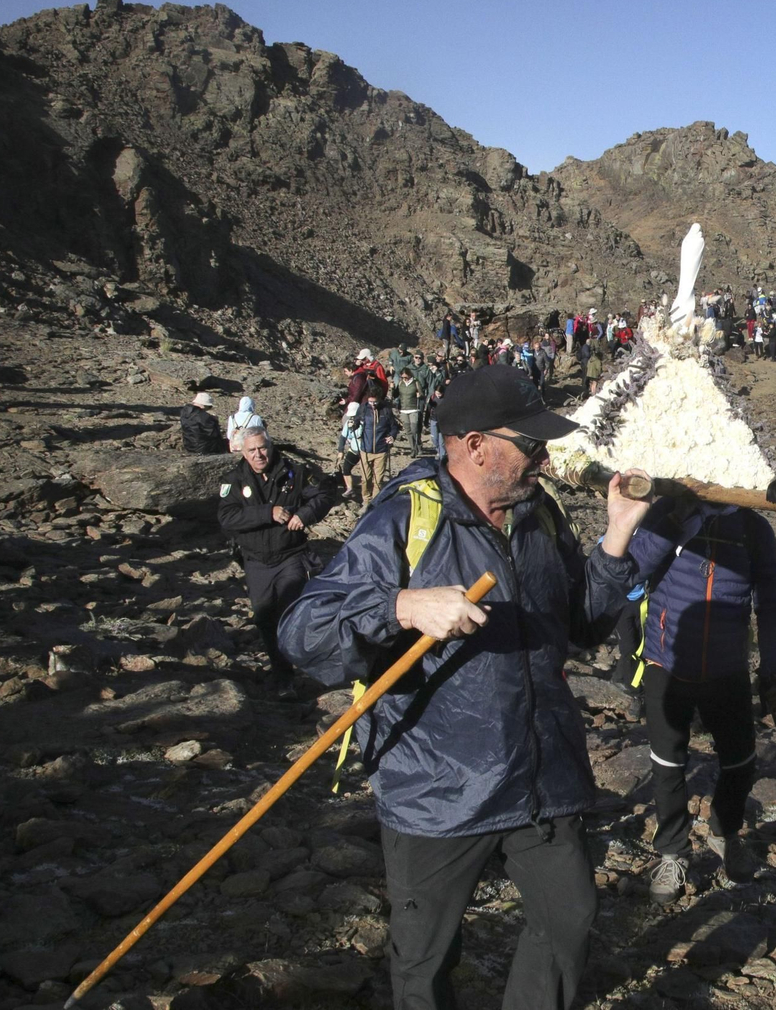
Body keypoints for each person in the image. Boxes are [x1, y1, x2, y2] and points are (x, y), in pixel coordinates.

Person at [278, 364, 651, 1010]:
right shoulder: (406, 517)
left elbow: (581, 626)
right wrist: (401, 607)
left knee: (568, 918)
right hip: (438, 789)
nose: (543, 454)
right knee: (424, 959)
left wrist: (617, 534)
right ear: (475, 444)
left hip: (540, 775)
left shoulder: (539, 514)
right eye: (529, 441)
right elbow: (302, 633)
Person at [626, 497, 776, 903]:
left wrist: (773, 668)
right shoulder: (667, 511)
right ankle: (672, 852)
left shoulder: (753, 528)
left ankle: (725, 832)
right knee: (667, 763)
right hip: (666, 657)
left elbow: (770, 602)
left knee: (739, 760)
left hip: (727, 665)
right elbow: (633, 571)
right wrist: (674, 523)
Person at [218, 428, 331, 690]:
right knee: (264, 617)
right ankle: (283, 674)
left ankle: (308, 666)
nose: (259, 455)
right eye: (252, 450)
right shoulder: (233, 480)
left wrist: (305, 515)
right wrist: (268, 512)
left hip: (290, 555)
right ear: (242, 453)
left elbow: (324, 494)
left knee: (291, 613)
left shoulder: (294, 471)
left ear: (270, 446)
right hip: (256, 561)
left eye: (262, 448)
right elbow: (227, 518)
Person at [356, 386, 398, 510]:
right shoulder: (363, 408)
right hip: (365, 449)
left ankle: (375, 503)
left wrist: (392, 436)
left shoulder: (386, 410)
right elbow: (356, 422)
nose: (373, 404)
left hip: (381, 450)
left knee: (378, 479)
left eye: (375, 402)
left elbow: (394, 426)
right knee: (365, 478)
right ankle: (366, 500)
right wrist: (352, 425)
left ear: (380, 399)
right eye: (370, 402)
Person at [393, 367, 426, 458]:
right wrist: (393, 389)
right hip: (403, 409)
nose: (404, 379)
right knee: (408, 431)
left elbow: (423, 395)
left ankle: (418, 444)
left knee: (414, 429)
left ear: (409, 375)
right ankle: (413, 449)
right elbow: (395, 395)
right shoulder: (400, 383)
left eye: (406, 377)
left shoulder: (415, 382)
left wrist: (419, 395)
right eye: (403, 377)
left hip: (414, 408)